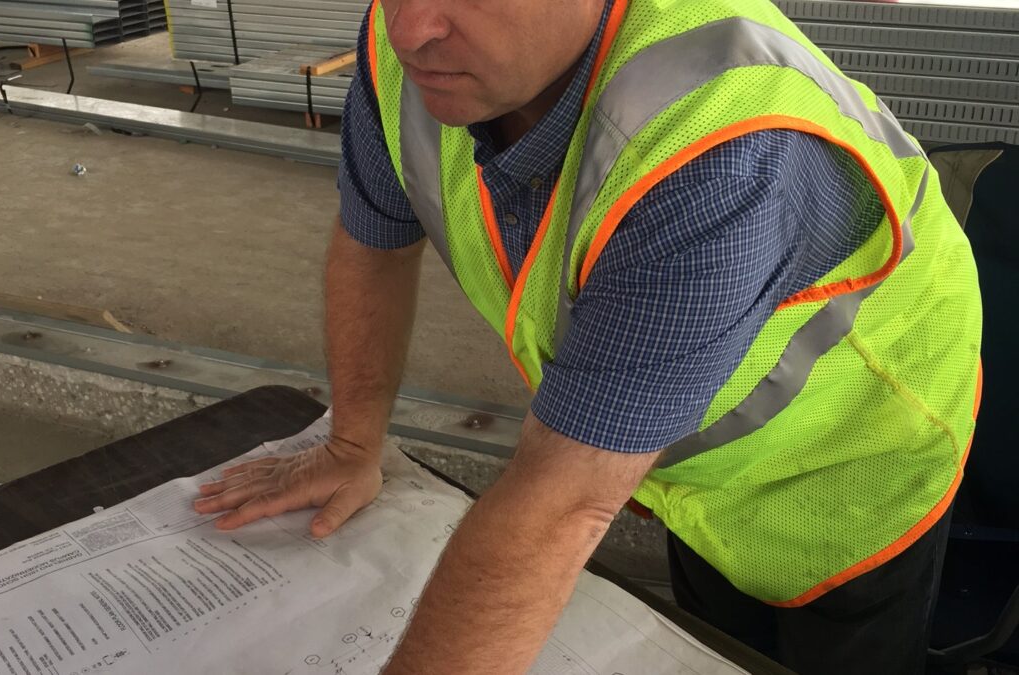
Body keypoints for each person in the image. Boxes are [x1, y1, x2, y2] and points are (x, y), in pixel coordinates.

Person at [193, 0, 983, 672]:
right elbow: (374, 243)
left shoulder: (722, 147)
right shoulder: (403, 51)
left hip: (854, 454)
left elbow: (564, 502)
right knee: (710, 632)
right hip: (687, 465)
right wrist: (351, 444)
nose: (410, 30)